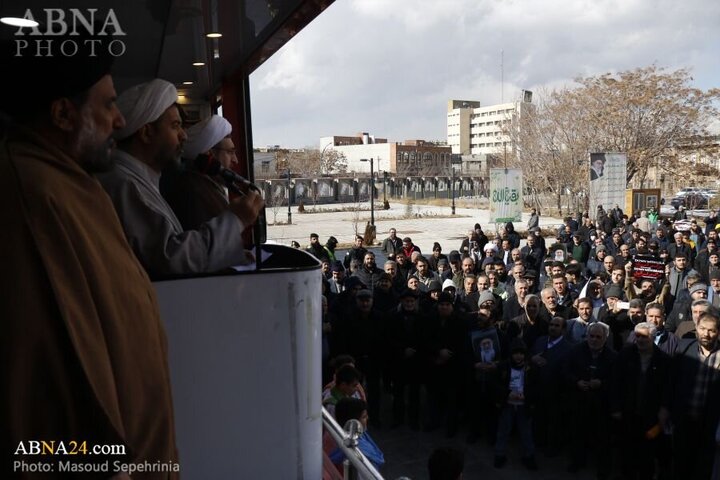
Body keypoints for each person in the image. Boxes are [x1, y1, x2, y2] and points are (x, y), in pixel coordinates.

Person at [0, 38, 177, 472]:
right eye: (109, 105)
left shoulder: (67, 184)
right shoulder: (34, 195)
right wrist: (105, 464)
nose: (119, 120)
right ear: (63, 114)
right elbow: (46, 376)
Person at [97, 79, 263, 279]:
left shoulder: (137, 180)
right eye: (175, 126)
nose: (184, 135)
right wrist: (236, 220)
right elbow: (170, 259)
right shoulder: (123, 185)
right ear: (147, 133)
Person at [162, 114, 236, 230]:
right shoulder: (193, 191)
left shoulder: (204, 185)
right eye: (230, 152)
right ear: (209, 156)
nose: (235, 160)